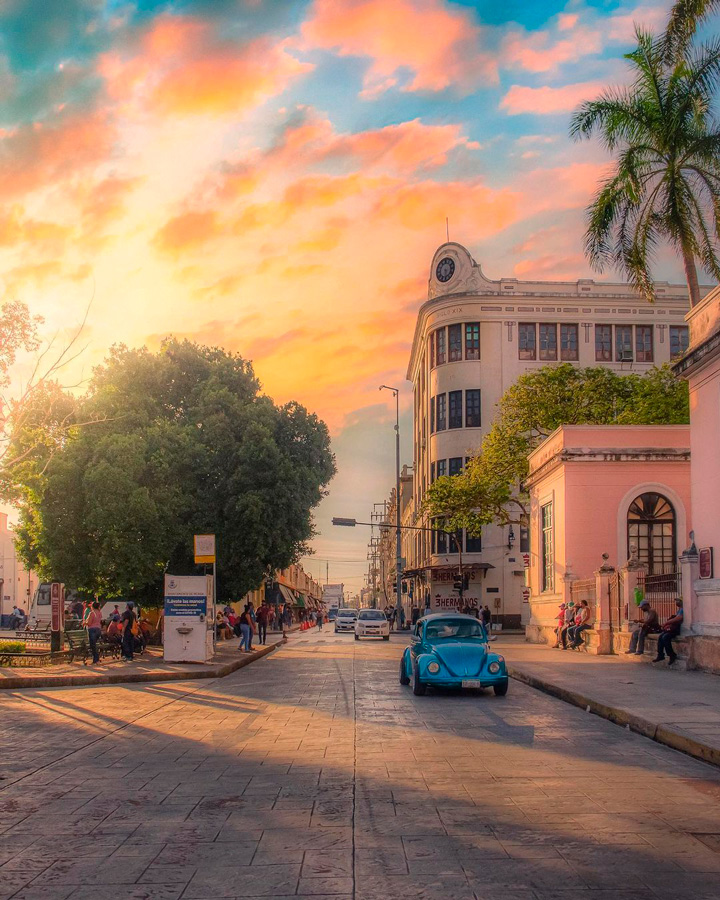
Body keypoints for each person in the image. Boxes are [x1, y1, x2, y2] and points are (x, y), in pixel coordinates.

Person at [654, 599, 684, 665]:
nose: (676, 602)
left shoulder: (682, 610)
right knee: (661, 636)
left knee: (665, 637)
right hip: (674, 628)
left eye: (678, 601)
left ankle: (671, 655)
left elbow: (679, 618)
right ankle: (660, 655)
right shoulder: (679, 610)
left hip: (679, 629)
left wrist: (667, 623)